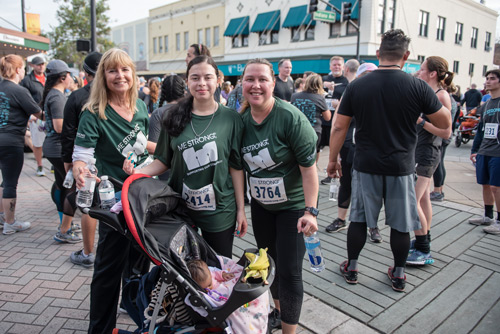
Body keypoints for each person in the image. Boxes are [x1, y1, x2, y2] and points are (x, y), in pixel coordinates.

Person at [327, 29, 450, 292]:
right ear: (406, 55)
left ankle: (352, 267)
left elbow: (338, 127)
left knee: (358, 220)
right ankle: (399, 273)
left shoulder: (358, 85)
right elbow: (445, 122)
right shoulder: (417, 86)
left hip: (366, 164)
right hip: (401, 166)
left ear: (378, 53)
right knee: (400, 224)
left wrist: (332, 160)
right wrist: (418, 117)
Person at [123, 55, 247, 258]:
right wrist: (136, 173)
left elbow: (236, 167)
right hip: (181, 207)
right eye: (195, 77)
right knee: (186, 270)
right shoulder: (173, 116)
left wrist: (241, 209)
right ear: (187, 82)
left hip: (220, 210)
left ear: (217, 80)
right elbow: (163, 160)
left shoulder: (231, 119)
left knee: (218, 267)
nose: (202, 83)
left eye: (208, 77)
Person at [73, 48, 151, 333]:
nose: (120, 76)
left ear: (133, 74)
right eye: (112, 71)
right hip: (114, 201)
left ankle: (132, 306)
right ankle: (101, 328)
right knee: (108, 268)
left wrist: (175, 150)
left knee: (139, 261)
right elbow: (81, 154)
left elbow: (143, 145)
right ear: (102, 77)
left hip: (141, 194)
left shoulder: (141, 107)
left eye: (125, 69)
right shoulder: (94, 113)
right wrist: (80, 170)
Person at [239, 58, 319, 334]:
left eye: (263, 79)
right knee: (268, 264)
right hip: (262, 207)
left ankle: (289, 331)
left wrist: (311, 211)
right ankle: (277, 312)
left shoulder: (291, 119)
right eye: (250, 79)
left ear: (274, 83)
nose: (256, 85)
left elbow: (309, 171)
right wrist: (241, 208)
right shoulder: (240, 121)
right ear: (242, 84)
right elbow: (236, 167)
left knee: (290, 272)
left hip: (293, 208)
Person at [407, 56, 453, 265]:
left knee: (411, 201)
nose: (419, 72)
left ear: (433, 73)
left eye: (423, 69)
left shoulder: (441, 96)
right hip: (420, 150)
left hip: (428, 153)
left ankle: (423, 249)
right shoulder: (428, 92)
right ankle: (423, 240)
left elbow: (446, 132)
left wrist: (422, 122)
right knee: (423, 198)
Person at [61, 51, 102, 267]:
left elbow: (67, 133)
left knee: (89, 205)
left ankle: (88, 253)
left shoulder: (76, 97)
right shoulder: (114, 94)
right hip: (111, 161)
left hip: (85, 161)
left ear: (85, 73)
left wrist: (69, 162)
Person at [0, 54, 43, 234]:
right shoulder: (19, 90)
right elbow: (38, 112)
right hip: (11, 142)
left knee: (4, 182)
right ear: (18, 70)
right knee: (10, 183)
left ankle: (2, 216)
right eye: (23, 68)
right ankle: (10, 223)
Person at [41, 59, 82, 243]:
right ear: (63, 77)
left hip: (52, 147)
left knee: (61, 185)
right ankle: (65, 230)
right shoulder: (57, 96)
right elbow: (59, 126)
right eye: (69, 75)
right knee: (70, 189)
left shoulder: (52, 94)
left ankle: (64, 224)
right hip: (58, 148)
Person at [469, 69, 500, 234]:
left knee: (497, 186)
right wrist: (475, 150)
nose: (488, 81)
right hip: (485, 150)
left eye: (492, 79)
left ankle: (499, 220)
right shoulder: (486, 104)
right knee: (486, 184)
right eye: (487, 78)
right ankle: (488, 216)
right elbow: (481, 130)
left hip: (498, 151)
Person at [148, 74, 186, 180]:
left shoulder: (158, 113)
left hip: (166, 174)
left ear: (162, 91)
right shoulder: (193, 110)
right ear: (183, 90)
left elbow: (153, 147)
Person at [320, 56, 349, 184]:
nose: (337, 67)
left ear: (343, 67)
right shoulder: (324, 79)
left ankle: (337, 173)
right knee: (318, 148)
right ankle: (324, 172)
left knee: (336, 149)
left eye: (339, 65)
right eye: (334, 65)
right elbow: (313, 86)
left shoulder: (346, 81)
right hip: (323, 120)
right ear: (330, 66)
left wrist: (340, 103)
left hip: (338, 120)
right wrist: (323, 84)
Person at [291, 73, 330, 156]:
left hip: (297, 131)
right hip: (314, 132)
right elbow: (327, 117)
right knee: (313, 155)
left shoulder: (294, 96)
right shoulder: (320, 98)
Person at [430, 84, 458, 202]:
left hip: (441, 136)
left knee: (438, 163)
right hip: (444, 136)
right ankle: (439, 189)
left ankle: (437, 191)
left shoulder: (444, 98)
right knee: (440, 163)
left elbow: (446, 122)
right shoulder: (452, 99)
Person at [20, 56, 46, 176]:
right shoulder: (27, 80)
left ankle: (54, 164)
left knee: (54, 140)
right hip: (36, 115)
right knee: (37, 141)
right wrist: (30, 115)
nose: (41, 66)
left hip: (49, 114)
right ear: (33, 66)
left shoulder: (49, 77)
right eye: (38, 64)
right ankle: (40, 165)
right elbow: (25, 99)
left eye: (42, 64)